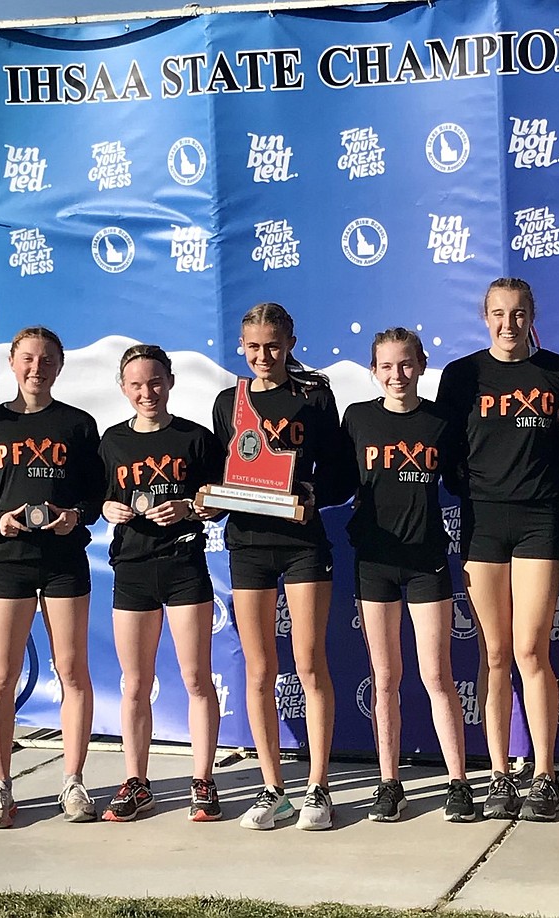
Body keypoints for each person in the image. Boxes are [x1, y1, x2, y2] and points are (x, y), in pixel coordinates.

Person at [436, 277, 559, 821]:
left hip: (542, 522)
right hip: (483, 526)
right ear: (484, 316)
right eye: (498, 314)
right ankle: (497, 774)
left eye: (518, 314)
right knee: (493, 654)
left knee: (531, 651)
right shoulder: (461, 375)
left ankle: (544, 774)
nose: (508, 324)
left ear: (532, 316)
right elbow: (443, 446)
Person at [212, 303, 354, 831]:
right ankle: (273, 789)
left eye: (273, 345)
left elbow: (341, 476)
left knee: (310, 661)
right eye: (253, 347)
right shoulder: (229, 401)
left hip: (302, 542)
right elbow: (224, 474)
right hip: (248, 543)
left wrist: (314, 492)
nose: (263, 356)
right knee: (258, 669)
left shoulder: (314, 394)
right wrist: (211, 498)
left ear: (291, 342)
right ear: (241, 348)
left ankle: (317, 787)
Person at [0, 326, 104, 828]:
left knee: (71, 671)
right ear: (12, 362)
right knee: (1, 677)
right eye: (28, 359)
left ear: (59, 366)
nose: (36, 368)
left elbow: (97, 494)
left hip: (65, 561)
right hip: (10, 560)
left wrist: (77, 515)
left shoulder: (78, 425)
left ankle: (73, 781)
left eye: (47, 360)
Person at [341, 327, 475, 823]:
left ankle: (458, 783)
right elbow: (333, 477)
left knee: (437, 676)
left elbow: (466, 478)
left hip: (427, 563)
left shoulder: (441, 421)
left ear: (421, 364)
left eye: (405, 364)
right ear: (374, 371)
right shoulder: (357, 419)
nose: (397, 375)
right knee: (385, 678)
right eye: (386, 366)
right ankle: (389, 783)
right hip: (375, 562)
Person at [98, 344, 225, 822]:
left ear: (169, 381)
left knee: (195, 678)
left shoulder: (195, 438)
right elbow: (100, 499)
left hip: (184, 567)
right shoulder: (111, 441)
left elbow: (220, 498)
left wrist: (190, 507)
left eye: (154, 382)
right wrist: (108, 508)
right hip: (132, 570)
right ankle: (137, 781)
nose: (146, 392)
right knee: (135, 683)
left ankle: (203, 780)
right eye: (136, 385)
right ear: (123, 388)